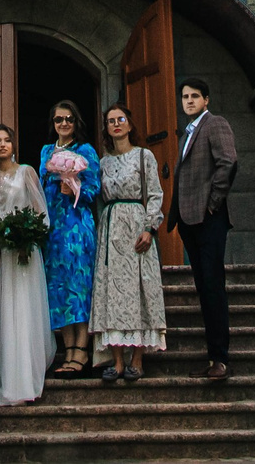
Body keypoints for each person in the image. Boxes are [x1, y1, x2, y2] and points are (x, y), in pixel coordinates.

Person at [88, 102, 167, 383]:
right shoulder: (103, 162)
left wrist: (149, 227)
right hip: (111, 227)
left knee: (138, 287)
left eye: (120, 119)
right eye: (111, 121)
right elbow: (97, 198)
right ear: (107, 129)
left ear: (130, 124)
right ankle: (117, 360)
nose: (116, 124)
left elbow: (155, 193)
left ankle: (138, 358)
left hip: (136, 223)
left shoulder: (144, 156)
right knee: (112, 289)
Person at [171, 76, 239, 381]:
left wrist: (212, 204)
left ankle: (220, 359)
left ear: (206, 100)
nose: (188, 101)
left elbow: (228, 163)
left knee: (213, 286)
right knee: (203, 286)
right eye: (185, 96)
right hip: (189, 221)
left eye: (194, 96)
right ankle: (213, 356)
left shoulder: (215, 124)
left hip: (209, 217)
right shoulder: (186, 133)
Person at [0, 125, 51, 406]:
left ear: (14, 144)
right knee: (0, 314)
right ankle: (1, 379)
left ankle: (24, 380)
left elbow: (42, 215)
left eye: (7, 140)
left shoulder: (26, 173)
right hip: (0, 254)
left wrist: (27, 235)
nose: (2, 145)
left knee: (23, 313)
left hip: (24, 254)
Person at [35, 100, 100, 375]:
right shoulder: (46, 151)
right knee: (60, 290)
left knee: (79, 288)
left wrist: (73, 188)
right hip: (54, 229)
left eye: (69, 120)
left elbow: (95, 188)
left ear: (76, 123)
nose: (63, 124)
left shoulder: (85, 150)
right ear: (53, 123)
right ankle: (68, 351)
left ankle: (81, 352)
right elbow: (38, 186)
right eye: (59, 119)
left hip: (77, 227)